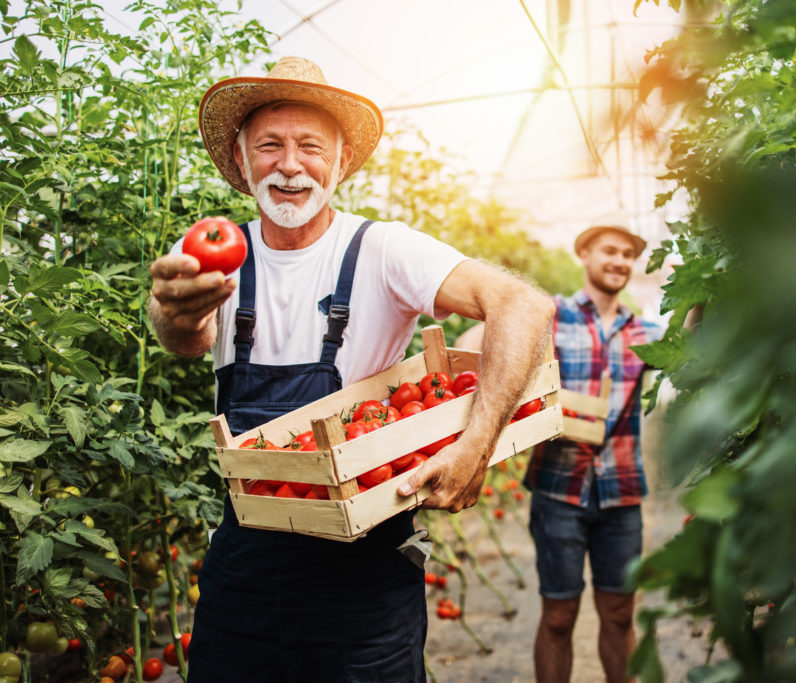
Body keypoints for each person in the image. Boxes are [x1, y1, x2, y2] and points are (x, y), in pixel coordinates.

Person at [148, 56, 553, 682]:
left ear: (339, 162)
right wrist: (173, 310)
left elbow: (521, 304)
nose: (289, 164)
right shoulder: (214, 251)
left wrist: (479, 442)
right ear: (241, 158)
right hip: (247, 554)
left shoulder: (382, 249)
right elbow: (185, 337)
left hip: (368, 565)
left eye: (310, 147)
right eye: (270, 145)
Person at [527, 217, 662, 683]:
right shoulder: (551, 315)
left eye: (628, 255)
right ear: (584, 255)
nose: (619, 261)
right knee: (559, 616)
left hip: (621, 491)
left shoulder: (645, 333)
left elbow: (695, 343)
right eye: (610, 251)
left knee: (620, 613)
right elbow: (491, 341)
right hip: (558, 488)